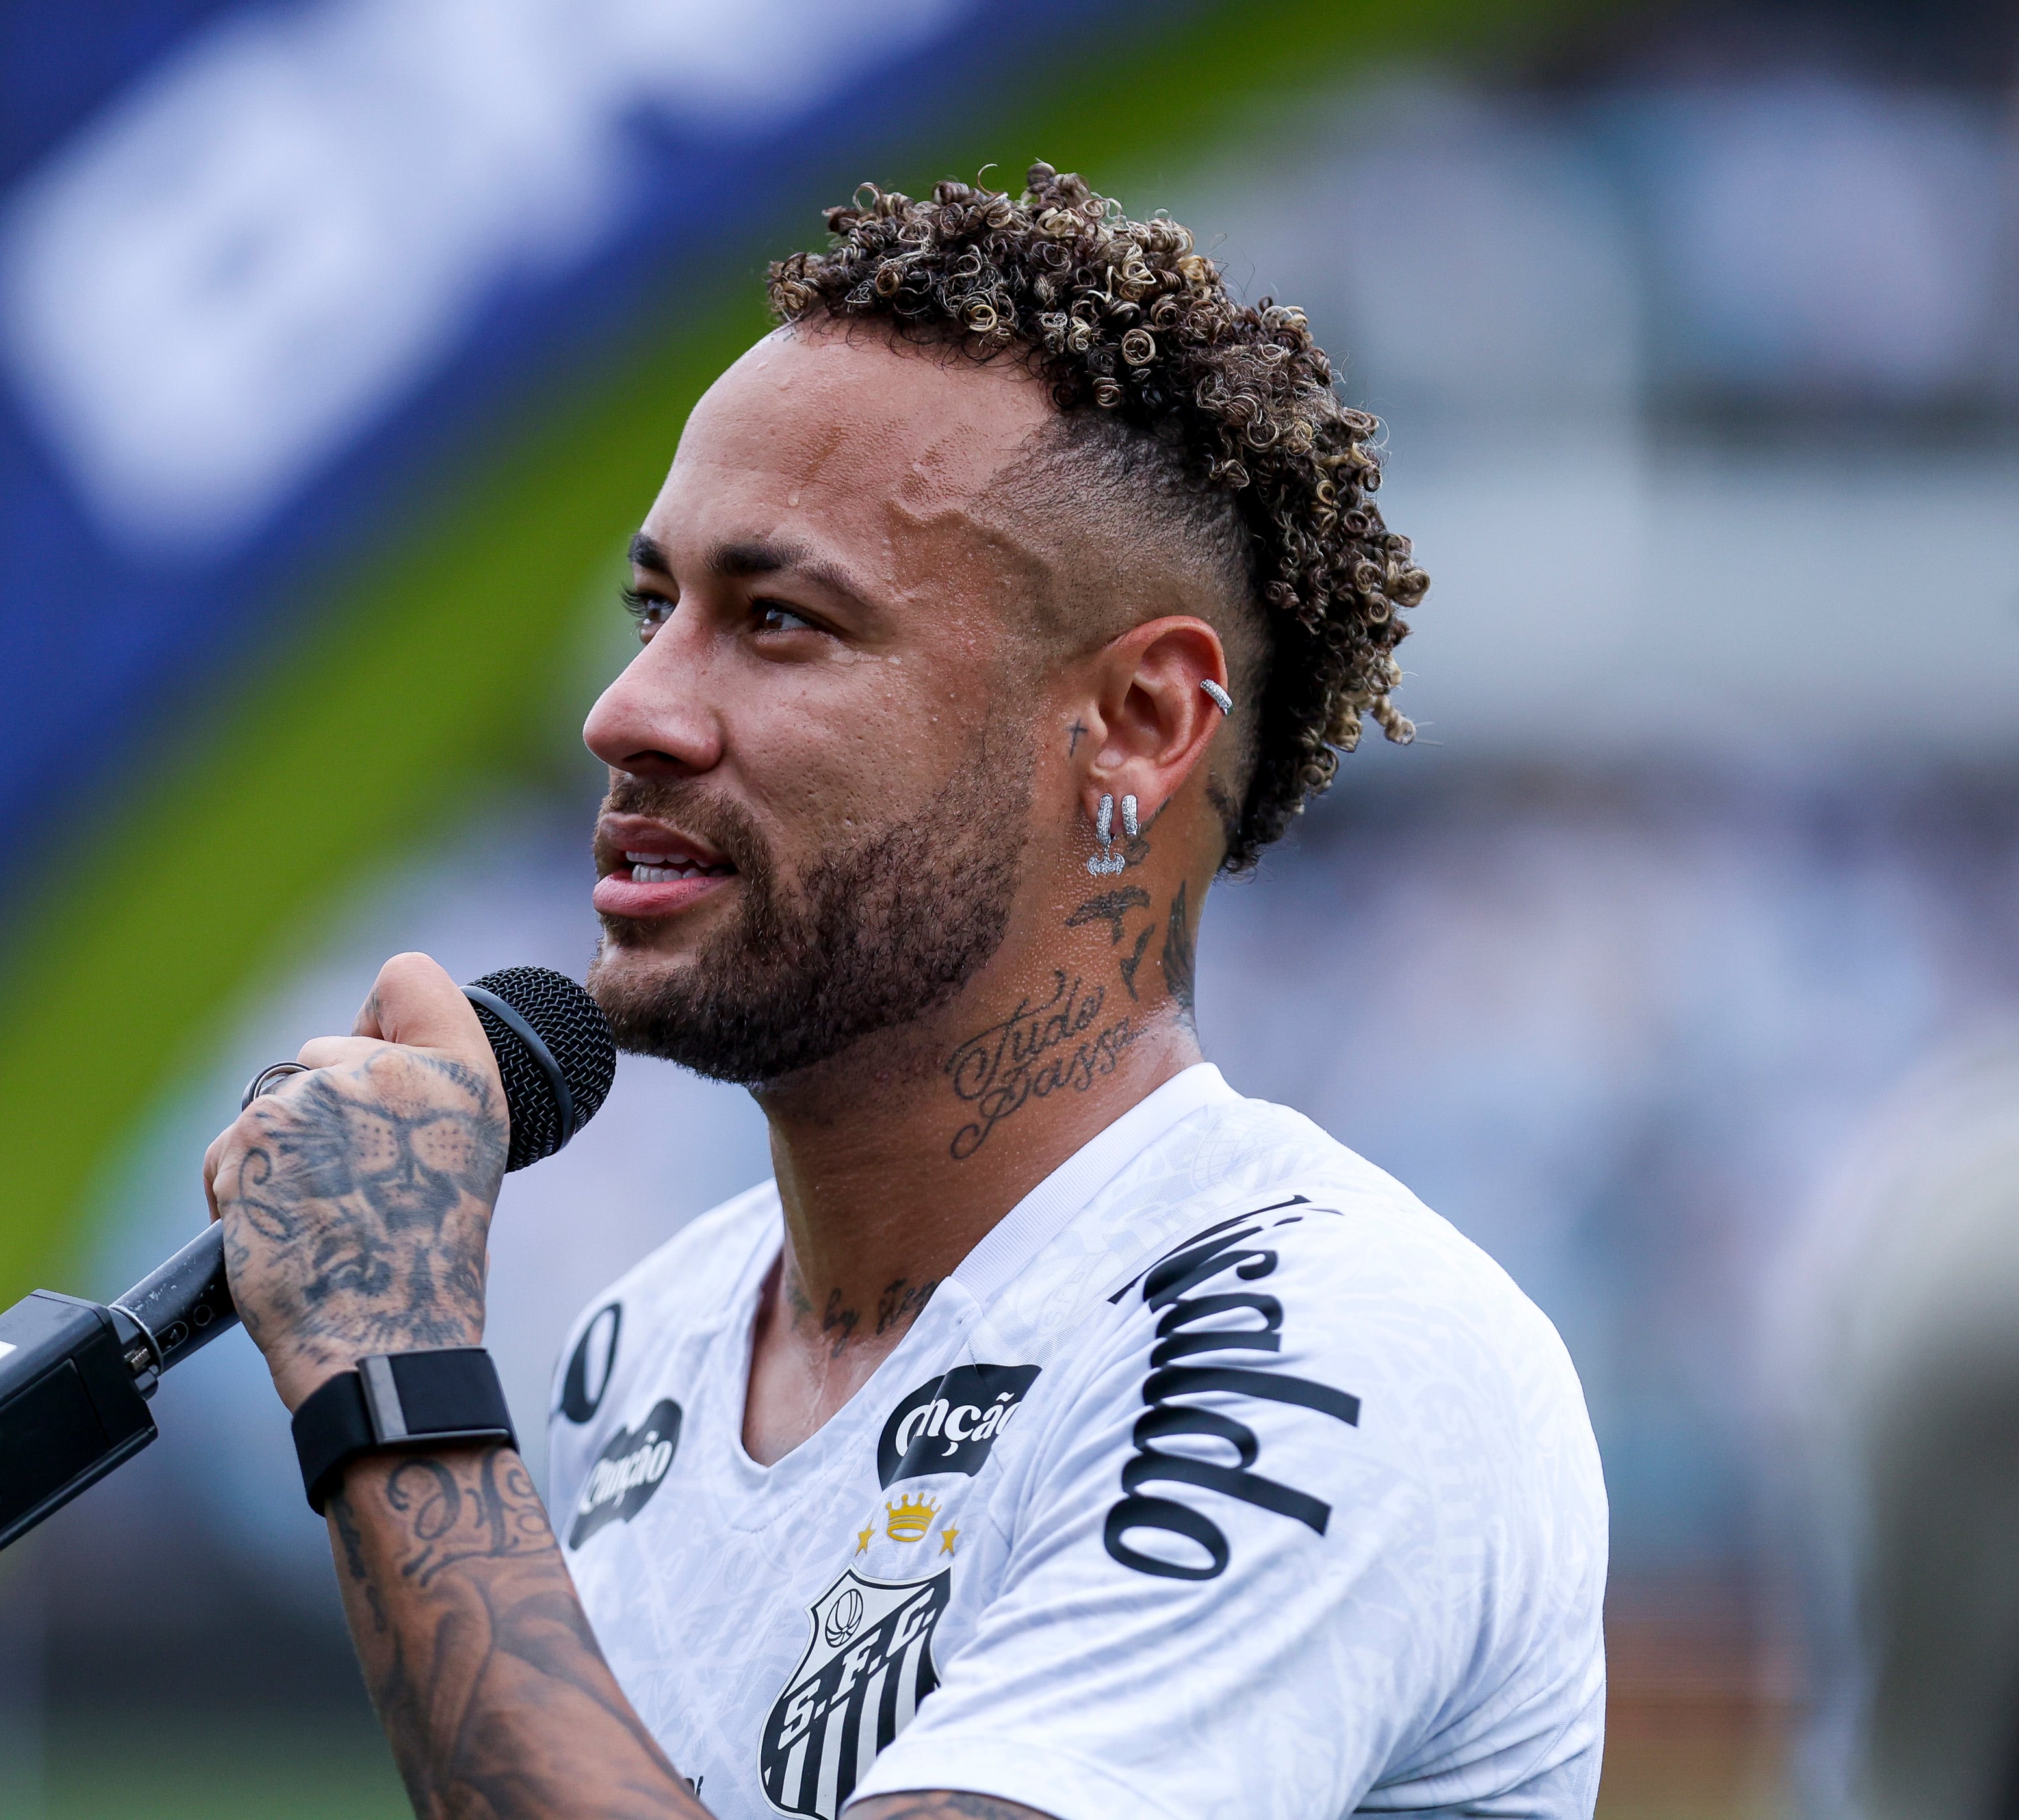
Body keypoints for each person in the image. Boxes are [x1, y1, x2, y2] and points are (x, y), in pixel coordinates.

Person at [202, 166, 1606, 1820]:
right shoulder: (646, 1343)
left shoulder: (1330, 1347)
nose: (629, 710)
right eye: (655, 607)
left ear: (1143, 722)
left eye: (779, 621)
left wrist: (396, 1372)